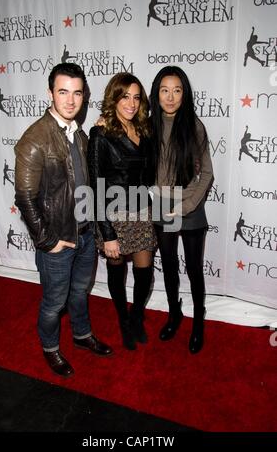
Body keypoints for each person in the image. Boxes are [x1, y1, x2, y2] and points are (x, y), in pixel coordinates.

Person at [14, 63, 112, 378]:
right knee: (55, 302)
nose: (70, 101)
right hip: (59, 240)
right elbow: (25, 198)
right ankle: (51, 349)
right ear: (50, 94)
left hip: (84, 235)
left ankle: (82, 336)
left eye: (77, 93)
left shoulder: (79, 135)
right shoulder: (35, 138)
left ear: (84, 96)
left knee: (80, 292)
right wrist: (48, 241)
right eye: (63, 92)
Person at [87, 72, 157, 350]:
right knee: (116, 272)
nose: (131, 103)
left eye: (136, 97)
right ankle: (123, 320)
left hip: (141, 212)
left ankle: (136, 316)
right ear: (114, 98)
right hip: (113, 217)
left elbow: (149, 175)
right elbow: (94, 188)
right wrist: (107, 234)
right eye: (125, 96)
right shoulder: (100, 134)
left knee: (144, 271)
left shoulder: (144, 131)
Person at [149, 65, 213, 354]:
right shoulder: (148, 125)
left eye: (177, 90)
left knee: (194, 269)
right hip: (162, 205)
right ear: (157, 93)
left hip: (189, 206)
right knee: (170, 265)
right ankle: (175, 314)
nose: (171, 97)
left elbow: (207, 173)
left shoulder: (195, 126)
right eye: (165, 90)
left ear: (184, 93)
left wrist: (185, 205)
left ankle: (199, 320)